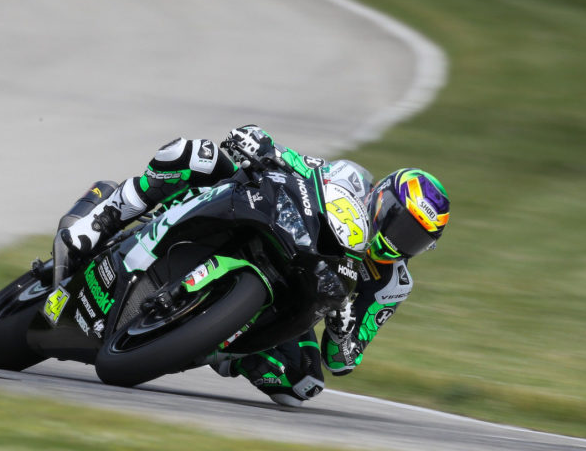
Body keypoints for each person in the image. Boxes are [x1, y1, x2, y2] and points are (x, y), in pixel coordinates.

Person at [55, 125, 450, 407]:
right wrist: (262, 145)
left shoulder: (391, 285)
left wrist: (342, 328)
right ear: (382, 199)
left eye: (414, 239)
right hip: (270, 223)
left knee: (304, 383)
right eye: (399, 223)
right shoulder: (350, 181)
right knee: (195, 155)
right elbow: (302, 166)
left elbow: (343, 358)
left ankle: (222, 345)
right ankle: (108, 213)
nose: (400, 241)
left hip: (294, 296)